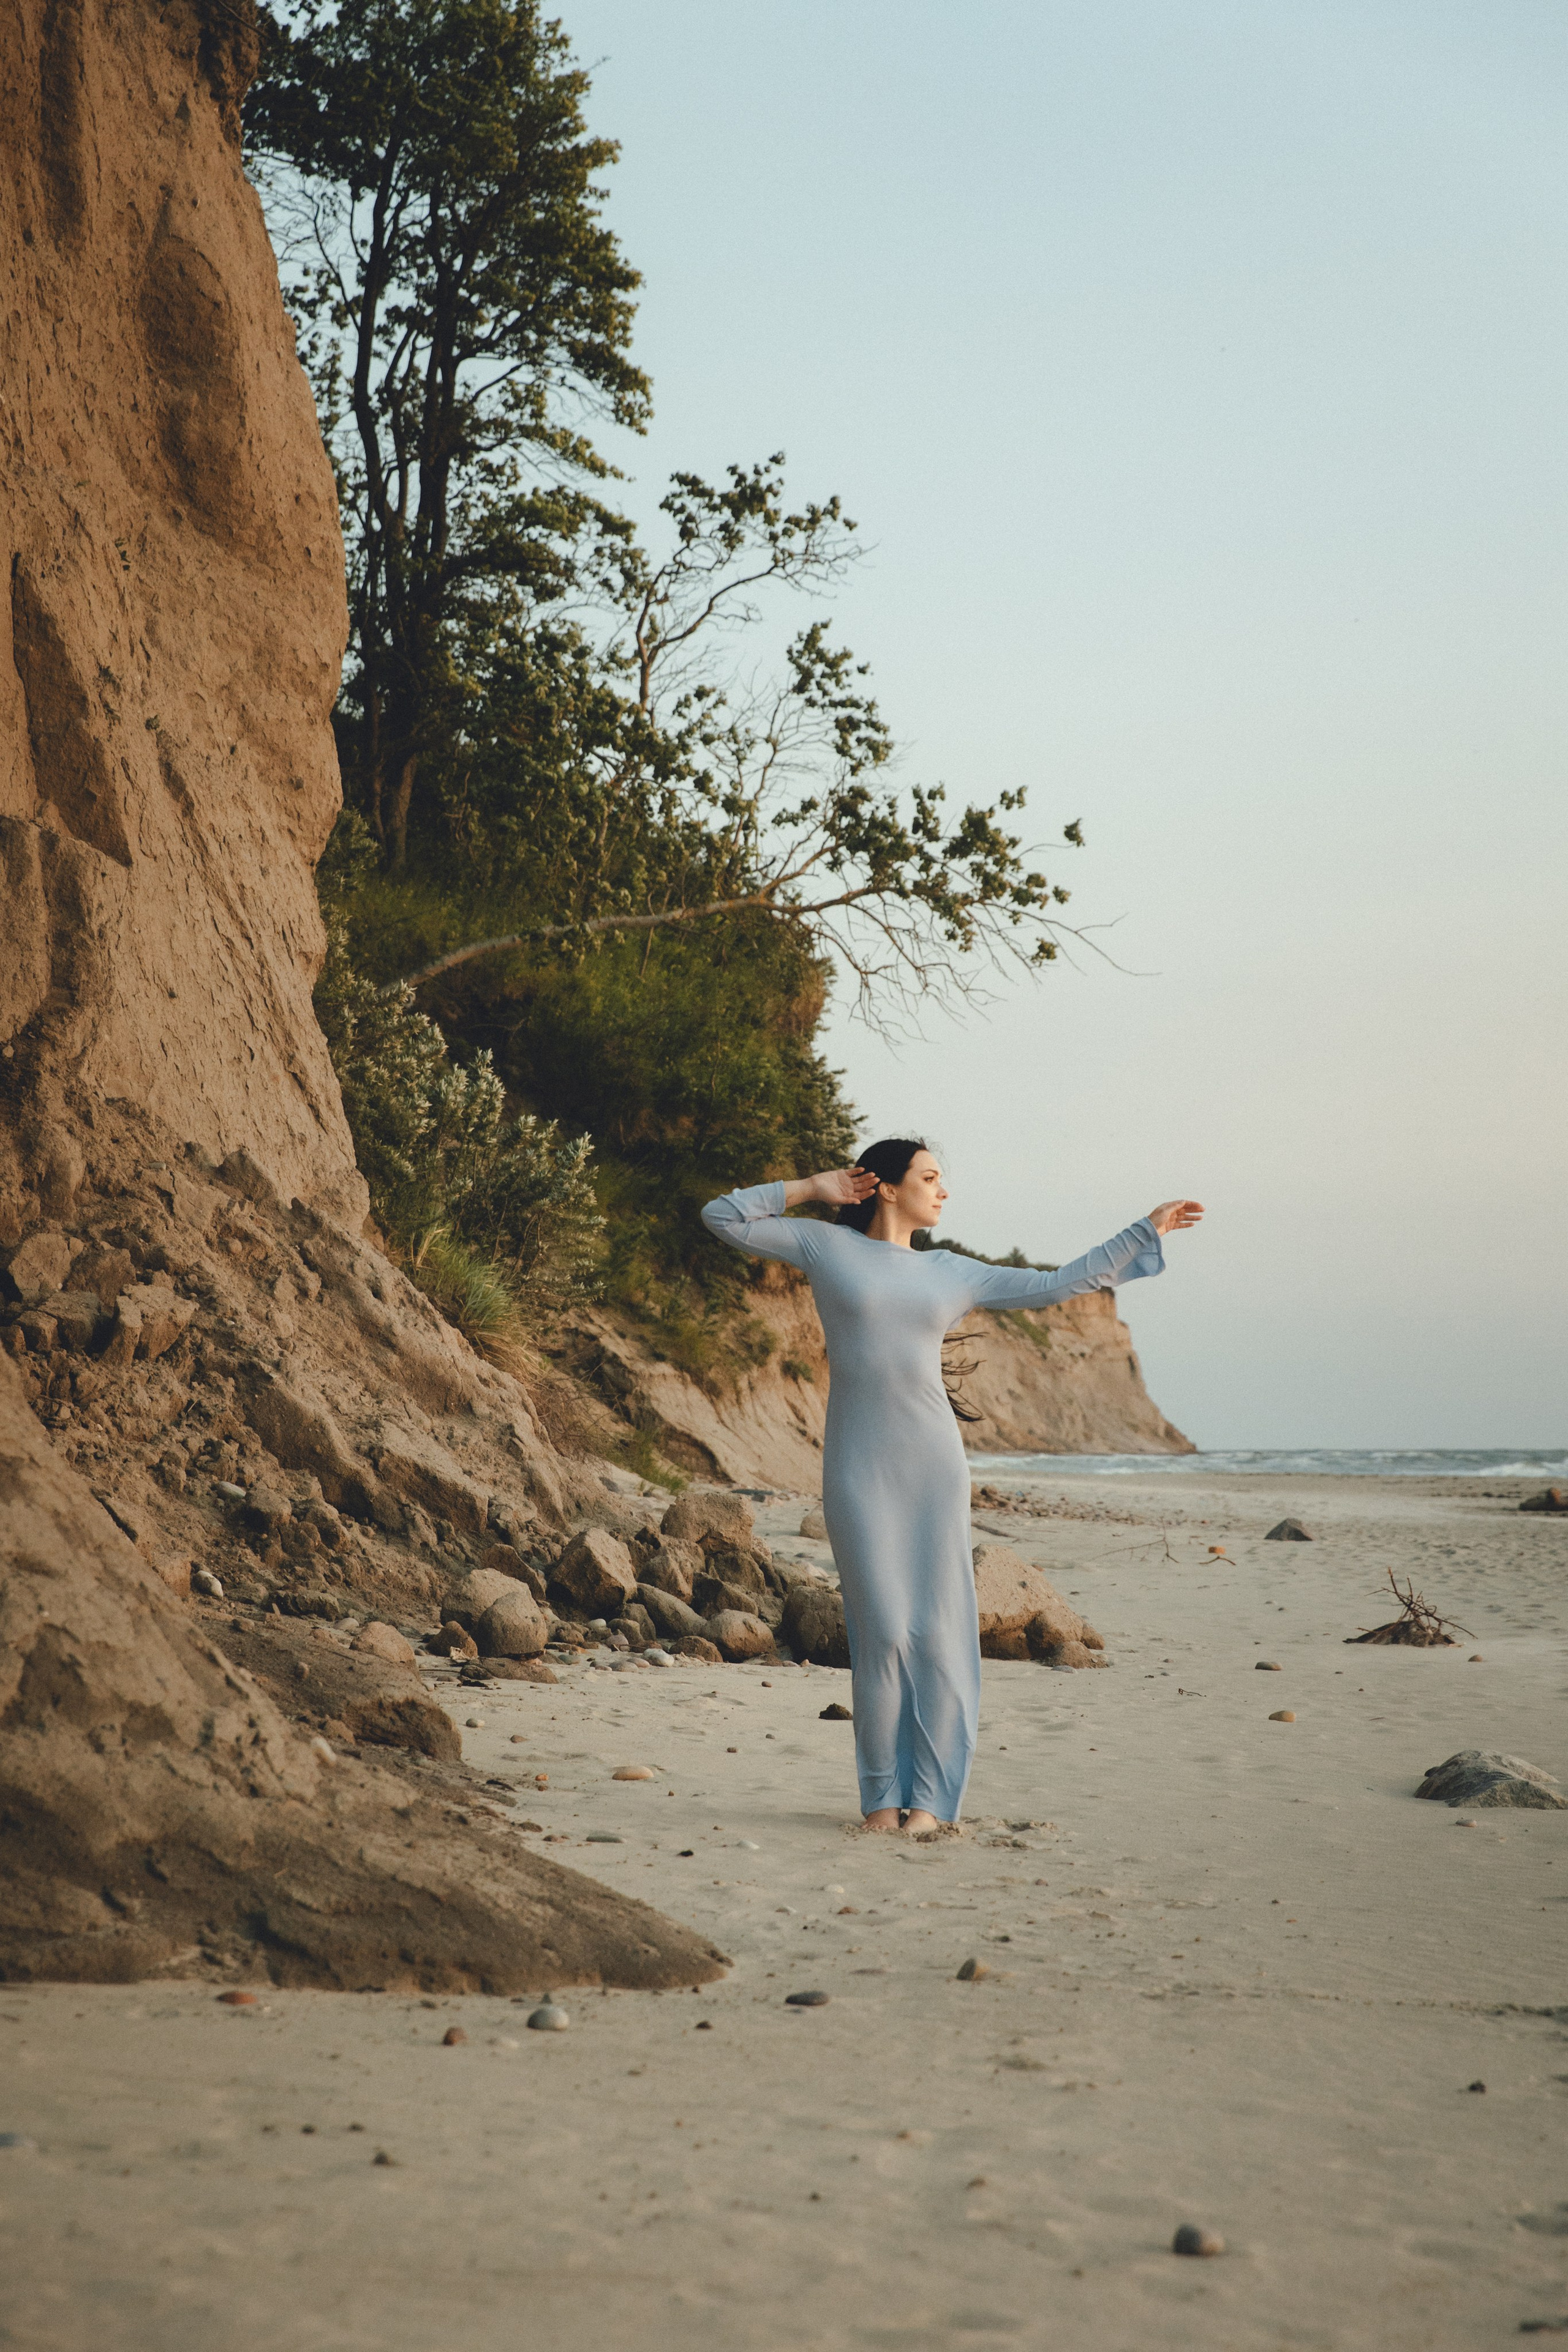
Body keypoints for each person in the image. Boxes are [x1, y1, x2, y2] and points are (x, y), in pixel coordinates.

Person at [702, 1142, 1202, 1834]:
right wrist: (814, 1186)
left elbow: (1058, 1282)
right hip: (856, 1467)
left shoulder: (950, 1272)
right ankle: (881, 1802)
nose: (943, 1192)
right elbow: (723, 1215)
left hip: (934, 1466)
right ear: (885, 1187)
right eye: (930, 1178)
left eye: (943, 1181)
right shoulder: (824, 1248)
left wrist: (1143, 1231)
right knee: (879, 1634)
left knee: (937, 1633)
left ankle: (931, 1804)